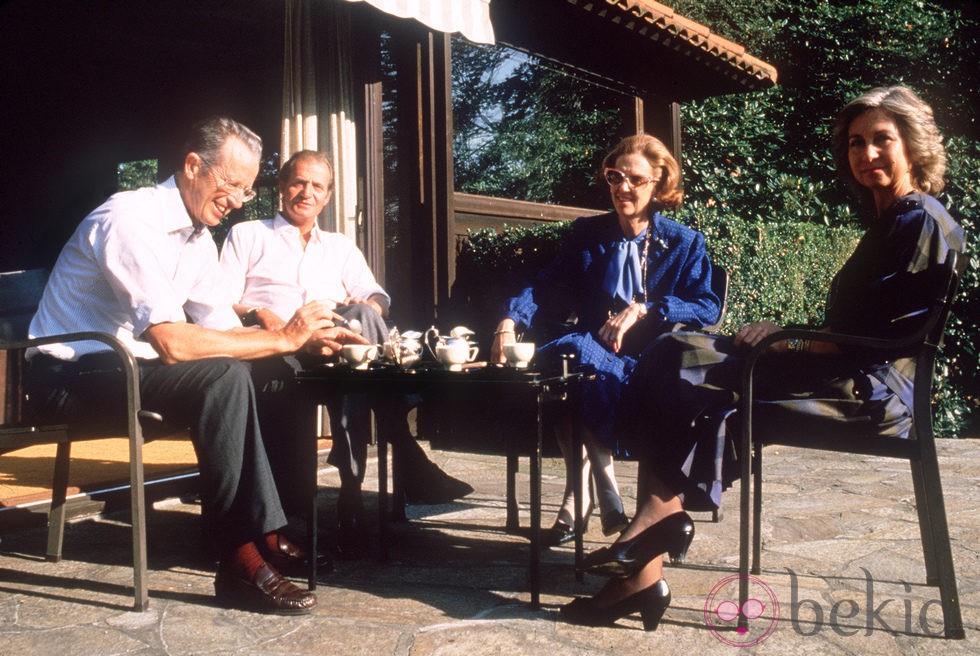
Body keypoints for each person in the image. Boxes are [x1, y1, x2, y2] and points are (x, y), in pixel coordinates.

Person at [562, 86, 965, 631]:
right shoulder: (898, 219)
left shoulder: (918, 219)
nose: (866, 153)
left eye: (881, 140)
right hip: (853, 377)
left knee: (677, 357)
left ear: (913, 146)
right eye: (856, 142)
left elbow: (864, 338)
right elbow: (864, 325)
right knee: (678, 362)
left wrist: (785, 336)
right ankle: (649, 548)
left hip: (869, 394)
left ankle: (653, 538)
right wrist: (795, 338)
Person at [27, 118, 366, 615]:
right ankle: (237, 556)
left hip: (127, 367)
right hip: (69, 375)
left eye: (248, 191)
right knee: (225, 374)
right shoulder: (129, 220)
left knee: (274, 367)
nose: (237, 200)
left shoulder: (197, 238)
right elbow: (172, 344)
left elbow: (225, 331)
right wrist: (280, 335)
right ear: (192, 166)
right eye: (232, 184)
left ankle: (264, 529)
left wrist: (301, 342)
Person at [219, 150, 472, 556]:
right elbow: (221, 300)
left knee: (360, 321)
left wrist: (366, 309)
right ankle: (397, 451)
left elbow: (377, 298)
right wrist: (260, 312)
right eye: (299, 182)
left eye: (317, 186)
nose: (306, 192)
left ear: (328, 196)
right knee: (360, 356)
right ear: (282, 187)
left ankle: (353, 491)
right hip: (280, 345)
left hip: (337, 345)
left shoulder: (339, 246)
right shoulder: (249, 234)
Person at [490, 134, 721, 547]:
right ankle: (604, 486)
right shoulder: (588, 235)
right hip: (592, 353)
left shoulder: (684, 243)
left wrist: (649, 309)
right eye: (615, 177)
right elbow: (543, 285)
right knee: (569, 360)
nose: (623, 188)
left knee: (573, 365)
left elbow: (706, 306)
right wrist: (508, 322)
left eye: (636, 179)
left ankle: (582, 499)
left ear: (658, 184)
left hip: (649, 364)